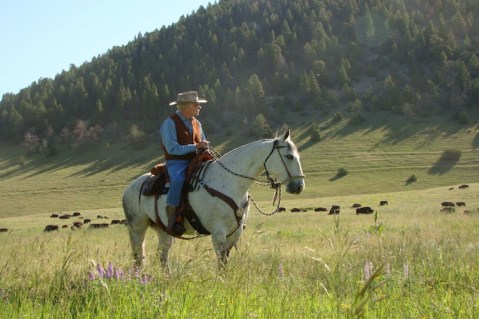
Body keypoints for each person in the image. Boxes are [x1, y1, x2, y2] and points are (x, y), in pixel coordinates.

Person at [160, 91, 209, 235]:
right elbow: (172, 148)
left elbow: (202, 142)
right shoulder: (169, 123)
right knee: (178, 179)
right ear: (186, 107)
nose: (199, 107)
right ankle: (173, 217)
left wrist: (204, 148)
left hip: (196, 159)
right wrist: (195, 147)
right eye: (197, 104)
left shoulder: (197, 122)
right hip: (177, 161)